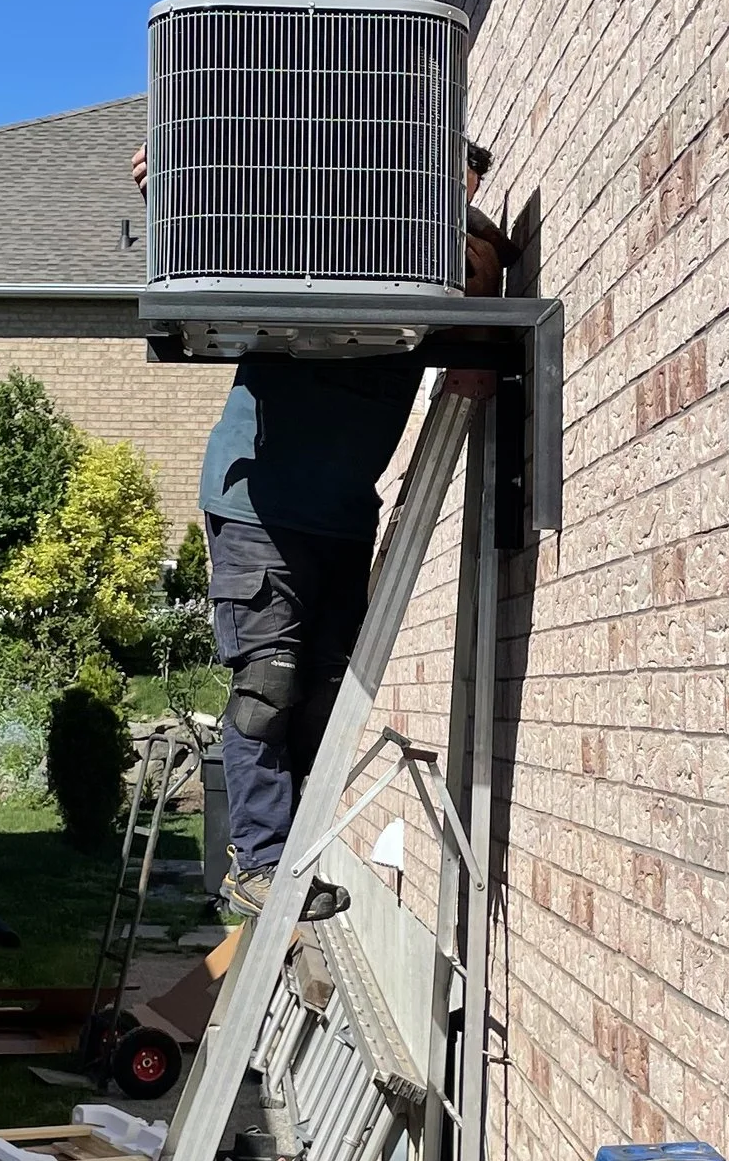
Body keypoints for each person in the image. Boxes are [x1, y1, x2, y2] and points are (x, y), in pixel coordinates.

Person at [134, 140, 506, 917]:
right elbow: (220, 243)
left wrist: (474, 279)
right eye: (442, 170)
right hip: (258, 500)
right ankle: (256, 860)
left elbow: (482, 273)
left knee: (326, 696)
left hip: (341, 513)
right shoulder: (322, 236)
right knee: (266, 686)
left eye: (463, 181)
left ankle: (289, 852)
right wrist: (174, 185)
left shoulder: (443, 262)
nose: (452, 190)